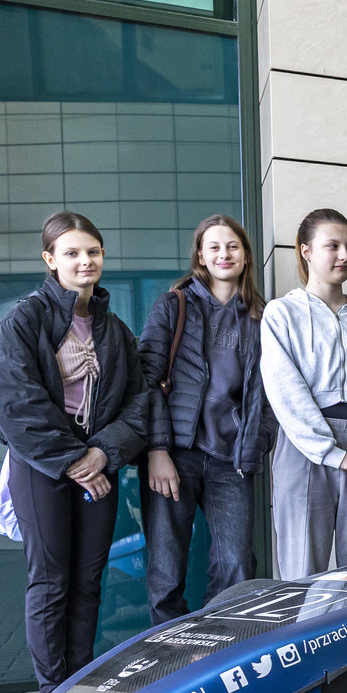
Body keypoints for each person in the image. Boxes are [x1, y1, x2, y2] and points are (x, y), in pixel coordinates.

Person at [0, 211, 149, 693]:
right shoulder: (23, 320)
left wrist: (103, 454)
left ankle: (81, 688)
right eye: (71, 253)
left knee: (89, 581)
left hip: (99, 465)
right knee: (51, 581)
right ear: (50, 259)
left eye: (92, 251)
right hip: (43, 466)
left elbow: (138, 404)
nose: (84, 261)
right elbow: (13, 399)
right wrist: (74, 460)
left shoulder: (115, 330)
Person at [138, 215, 275, 625]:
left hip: (231, 459)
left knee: (237, 568)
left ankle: (219, 649)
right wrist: (156, 450)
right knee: (166, 571)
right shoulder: (174, 305)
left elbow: (273, 392)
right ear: (200, 255)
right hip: (176, 454)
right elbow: (146, 381)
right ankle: (168, 655)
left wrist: (259, 440)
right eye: (213, 247)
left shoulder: (263, 317)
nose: (223, 254)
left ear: (246, 255)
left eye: (232, 246)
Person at [261, 209, 347, 578]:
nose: (345, 255)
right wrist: (330, 453)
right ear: (306, 251)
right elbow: (285, 391)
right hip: (304, 448)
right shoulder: (281, 314)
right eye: (333, 246)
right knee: (301, 572)